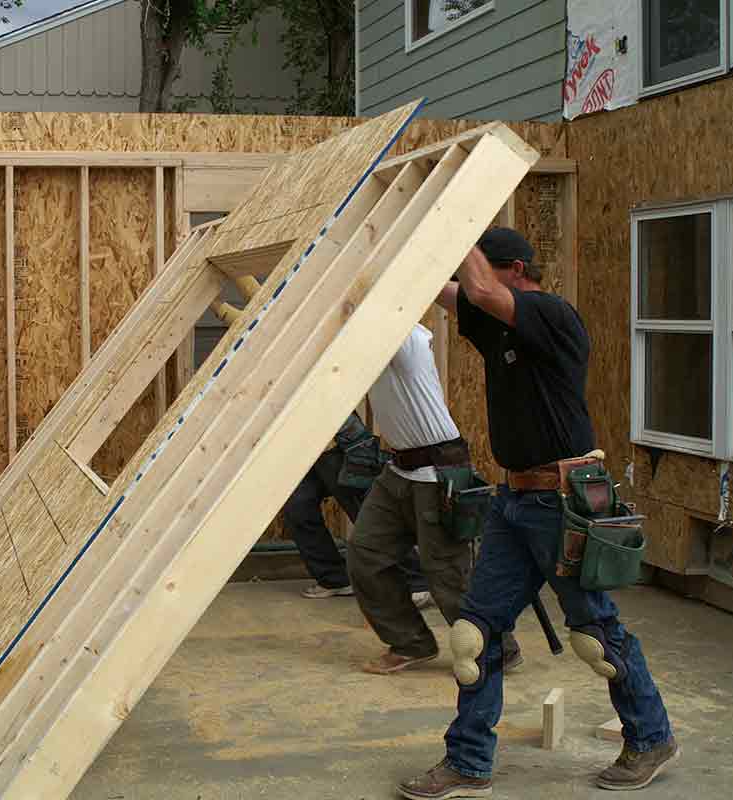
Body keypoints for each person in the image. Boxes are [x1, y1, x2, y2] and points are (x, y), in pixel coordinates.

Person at [398, 228, 677, 799]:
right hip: (514, 501)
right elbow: (453, 292)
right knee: (475, 636)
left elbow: (474, 287)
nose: (475, 288)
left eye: (488, 275)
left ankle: (652, 738)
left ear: (517, 270)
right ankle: (468, 762)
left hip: (562, 502)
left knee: (595, 635)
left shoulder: (551, 315)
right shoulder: (494, 321)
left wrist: (456, 219)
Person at [347, 324, 522, 676]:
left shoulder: (404, 336)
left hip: (437, 471)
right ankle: (410, 642)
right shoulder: (360, 339)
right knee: (365, 553)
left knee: (446, 573)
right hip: (398, 468)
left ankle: (496, 648)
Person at [284, 412, 432, 606]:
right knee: (297, 507)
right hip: (306, 452)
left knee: (367, 515)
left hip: (344, 447)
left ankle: (416, 580)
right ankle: (335, 579)